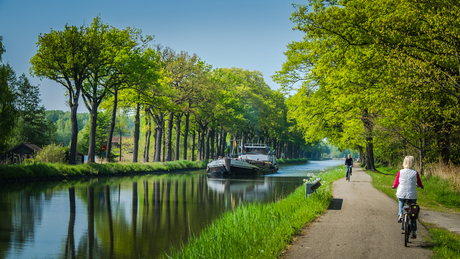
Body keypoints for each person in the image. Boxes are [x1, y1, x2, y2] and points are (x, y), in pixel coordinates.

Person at [392, 156, 424, 239]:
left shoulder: (400, 172)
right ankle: (414, 231)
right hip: (412, 195)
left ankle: (400, 214)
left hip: (401, 193)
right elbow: (419, 182)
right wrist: (421, 186)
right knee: (413, 212)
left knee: (401, 202)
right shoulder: (415, 173)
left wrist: (394, 186)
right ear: (413, 163)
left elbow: (396, 182)